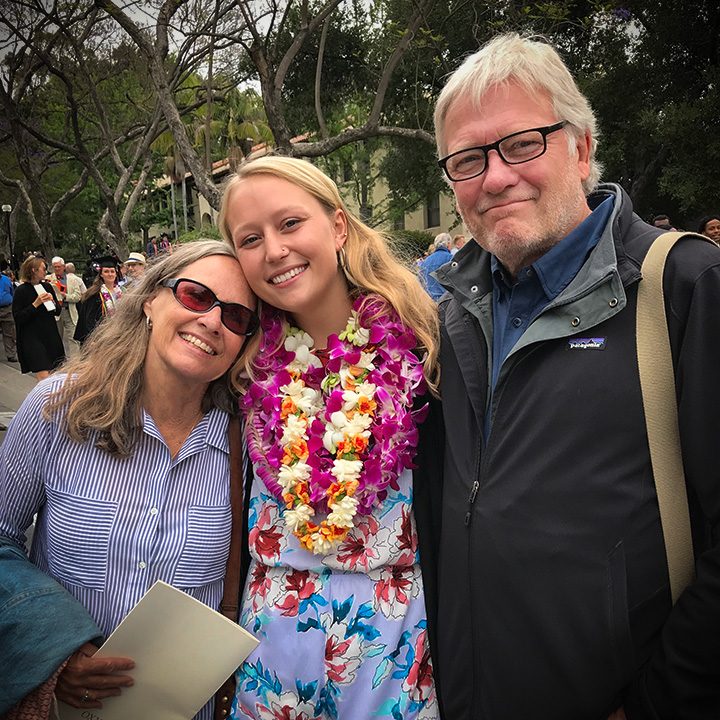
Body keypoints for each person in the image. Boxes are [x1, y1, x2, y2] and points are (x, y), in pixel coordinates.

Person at [429, 32, 720, 720]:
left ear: (582, 147)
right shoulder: (451, 315)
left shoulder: (683, 287)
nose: (495, 177)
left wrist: (658, 703)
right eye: (467, 160)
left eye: (522, 144)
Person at [219, 156, 443, 719]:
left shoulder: (424, 352)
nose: (273, 250)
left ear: (338, 226)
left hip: (390, 646)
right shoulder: (242, 367)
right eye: (251, 238)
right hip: (269, 644)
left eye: (290, 224)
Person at [0, 240, 259, 719]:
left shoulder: (249, 443)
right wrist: (56, 650)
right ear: (149, 301)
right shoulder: (58, 407)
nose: (211, 321)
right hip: (62, 704)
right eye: (196, 296)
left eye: (237, 317)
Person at [12, 256, 64, 381]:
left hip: (50, 334)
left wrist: (53, 301)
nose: (45, 271)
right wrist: (35, 304)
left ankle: (53, 400)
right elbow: (18, 317)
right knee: (43, 375)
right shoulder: (21, 290)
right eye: (43, 268)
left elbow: (57, 311)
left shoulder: (47, 287)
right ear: (34, 270)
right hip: (32, 337)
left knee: (55, 374)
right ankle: (46, 399)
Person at [74, 257, 123, 344]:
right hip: (100, 336)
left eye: (112, 271)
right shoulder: (95, 294)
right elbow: (89, 319)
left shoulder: (122, 292)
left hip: (117, 333)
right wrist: (92, 339)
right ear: (101, 274)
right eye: (106, 271)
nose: (110, 274)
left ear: (116, 273)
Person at [47, 255, 86, 356]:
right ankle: (58, 360)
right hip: (56, 312)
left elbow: (78, 296)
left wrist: (66, 296)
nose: (57, 269)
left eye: (59, 266)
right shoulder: (48, 279)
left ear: (64, 267)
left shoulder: (73, 279)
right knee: (56, 338)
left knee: (73, 338)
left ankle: (74, 362)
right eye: (54, 267)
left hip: (69, 310)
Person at [418, 232, 453, 301]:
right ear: (448, 244)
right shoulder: (451, 259)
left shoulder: (425, 261)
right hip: (446, 301)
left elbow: (421, 282)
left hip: (429, 301)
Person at [0, 260, 17, 362]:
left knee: (9, 333)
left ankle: (11, 354)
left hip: (7, 309)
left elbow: (12, 291)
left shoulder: (6, 279)